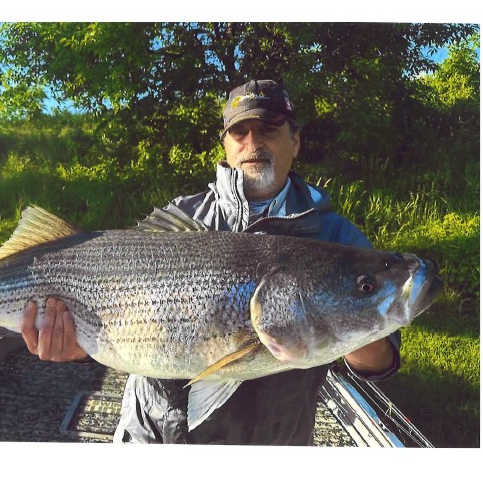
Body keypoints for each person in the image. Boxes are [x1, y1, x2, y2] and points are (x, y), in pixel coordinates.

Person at [21, 79, 401, 444]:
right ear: (226, 144)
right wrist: (78, 349)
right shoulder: (183, 217)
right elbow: (114, 308)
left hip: (274, 444)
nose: (253, 143)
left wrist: (358, 321)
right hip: (156, 437)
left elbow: (379, 362)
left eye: (269, 129)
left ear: (295, 141)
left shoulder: (337, 239)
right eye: (240, 133)